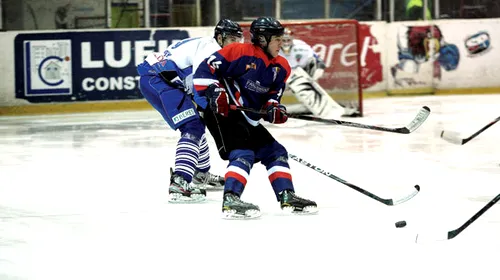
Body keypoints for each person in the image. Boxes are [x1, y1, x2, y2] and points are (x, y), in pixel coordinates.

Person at [193, 16, 318, 219]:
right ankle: (231, 199)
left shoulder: (281, 67)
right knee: (243, 153)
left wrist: (273, 108)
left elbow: (273, 96)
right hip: (222, 112)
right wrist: (214, 91)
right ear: (262, 39)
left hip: (247, 117)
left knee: (275, 151)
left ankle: (287, 195)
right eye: (277, 39)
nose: (281, 43)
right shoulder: (238, 52)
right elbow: (204, 71)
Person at [136, 19, 243, 203]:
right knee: (193, 127)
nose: (236, 43)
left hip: (162, 80)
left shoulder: (213, 48)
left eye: (238, 38)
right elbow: (200, 86)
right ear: (220, 37)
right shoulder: (211, 50)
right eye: (231, 38)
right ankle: (180, 181)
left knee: (197, 124)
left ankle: (200, 174)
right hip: (159, 80)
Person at [279, 28, 360, 118]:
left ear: (292, 38)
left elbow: (317, 60)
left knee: (306, 78)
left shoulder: (301, 46)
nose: (286, 42)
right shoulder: (272, 48)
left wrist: (319, 68)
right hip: (278, 76)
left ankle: (324, 107)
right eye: (283, 40)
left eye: (288, 40)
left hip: (297, 75)